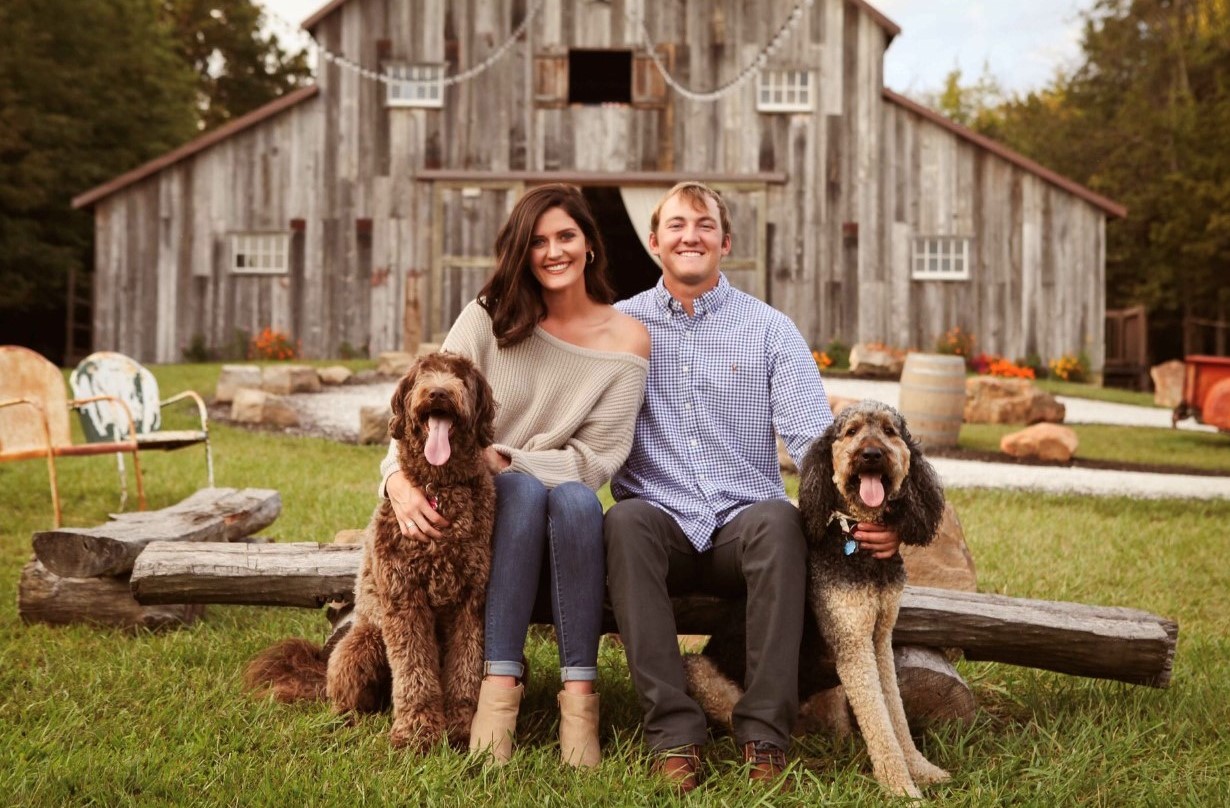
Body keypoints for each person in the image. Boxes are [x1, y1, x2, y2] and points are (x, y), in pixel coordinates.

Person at [604, 182, 901, 792]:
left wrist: (877, 520)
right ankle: (675, 735)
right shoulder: (620, 326)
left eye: (705, 225)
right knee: (624, 521)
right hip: (657, 525)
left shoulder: (769, 329)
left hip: (741, 529)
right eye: (678, 225)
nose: (692, 235)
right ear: (654, 240)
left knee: (778, 517)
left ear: (725, 241)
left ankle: (764, 734)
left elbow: (819, 445)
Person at [381, 183, 650, 767]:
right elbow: (423, 412)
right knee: (526, 490)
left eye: (566, 237)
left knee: (577, 500)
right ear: (521, 252)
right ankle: (496, 696)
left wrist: (507, 460)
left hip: (555, 511)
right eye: (537, 241)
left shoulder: (627, 337)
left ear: (590, 245)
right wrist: (394, 482)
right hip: (472, 513)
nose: (553, 251)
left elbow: (599, 457)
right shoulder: (487, 316)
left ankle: (580, 702)